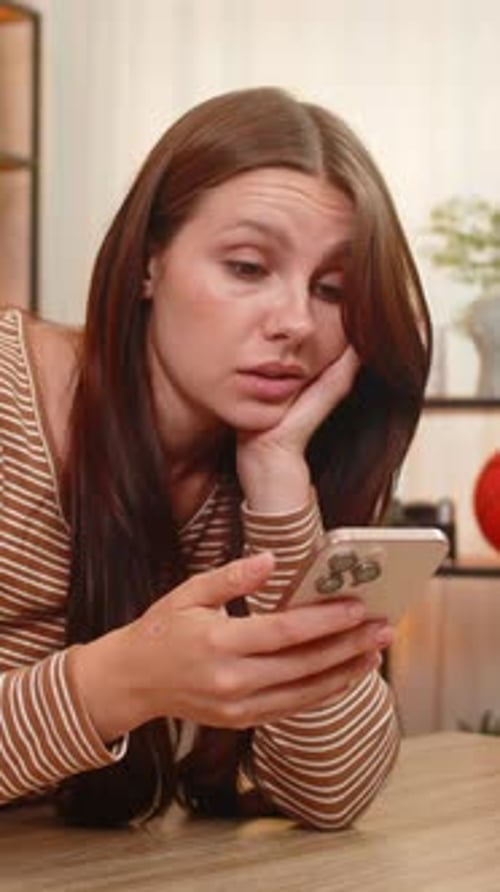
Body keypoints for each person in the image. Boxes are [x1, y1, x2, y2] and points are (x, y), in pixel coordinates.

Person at [0, 86, 431, 830]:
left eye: (332, 288)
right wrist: (122, 681)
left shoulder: (260, 474)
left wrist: (278, 485)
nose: (296, 321)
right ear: (148, 263)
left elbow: (332, 795)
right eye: (246, 267)